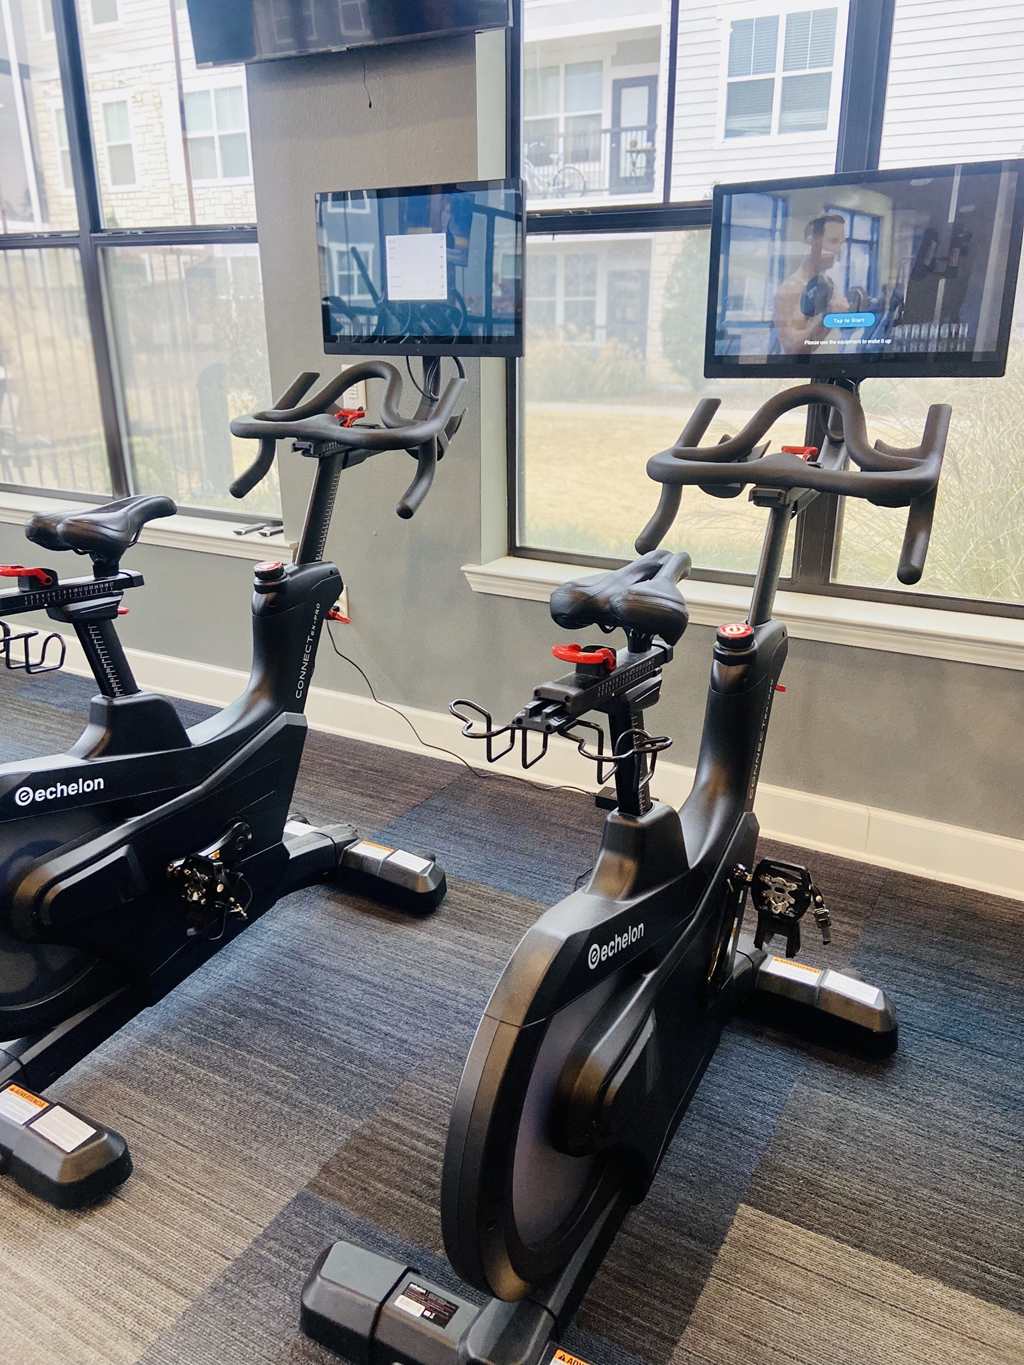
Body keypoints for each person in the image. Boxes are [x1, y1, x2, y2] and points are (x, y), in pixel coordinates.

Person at [772, 213, 849, 355]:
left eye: (841, 243)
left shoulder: (829, 285)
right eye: (833, 241)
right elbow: (792, 348)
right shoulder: (791, 288)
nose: (838, 251)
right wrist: (828, 321)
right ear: (812, 243)